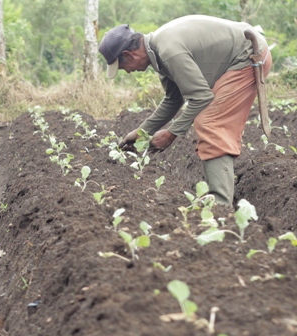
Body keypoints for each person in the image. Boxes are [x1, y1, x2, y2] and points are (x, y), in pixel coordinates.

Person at [98, 15, 271, 206]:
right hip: (241, 53)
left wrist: (171, 134)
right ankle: (217, 194)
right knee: (207, 120)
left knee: (209, 121)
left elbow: (201, 97)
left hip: (248, 55)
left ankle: (221, 203)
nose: (127, 71)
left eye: (122, 66)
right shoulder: (158, 51)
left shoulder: (169, 51)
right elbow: (173, 100)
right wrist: (140, 133)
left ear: (129, 55)